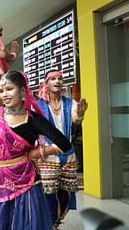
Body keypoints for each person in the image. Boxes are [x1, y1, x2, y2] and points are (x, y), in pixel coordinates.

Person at [0, 70, 73, 230]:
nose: (4, 94)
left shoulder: (32, 119)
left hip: (25, 181)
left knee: (26, 223)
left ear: (22, 91)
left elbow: (64, 143)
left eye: (9, 89)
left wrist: (40, 153)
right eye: (1, 91)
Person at [37, 69, 88, 229]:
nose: (57, 81)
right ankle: (51, 224)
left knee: (66, 192)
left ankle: (56, 220)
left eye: (60, 78)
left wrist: (80, 114)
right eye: (53, 79)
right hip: (47, 155)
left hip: (68, 155)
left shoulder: (70, 103)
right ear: (46, 83)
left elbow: (75, 119)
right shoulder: (38, 106)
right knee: (49, 193)